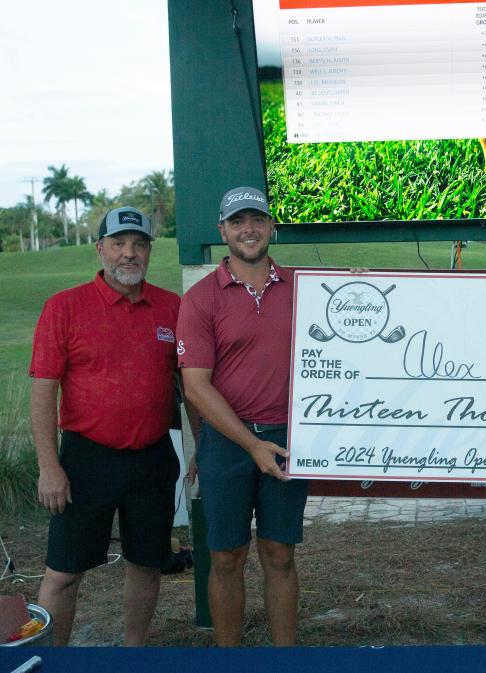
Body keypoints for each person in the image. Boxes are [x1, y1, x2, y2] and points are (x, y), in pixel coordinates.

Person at [29, 207, 181, 646]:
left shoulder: (171, 307)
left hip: (152, 460)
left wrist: (198, 449)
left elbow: (192, 386)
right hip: (85, 461)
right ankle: (52, 659)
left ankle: (132, 655)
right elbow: (43, 390)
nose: (129, 254)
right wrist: (48, 466)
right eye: (118, 244)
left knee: (147, 564)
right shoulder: (65, 307)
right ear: (100, 249)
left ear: (149, 251)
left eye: (139, 245)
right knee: (62, 574)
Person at [177, 186, 308, 646]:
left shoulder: (304, 287)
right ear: (223, 231)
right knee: (226, 555)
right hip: (228, 442)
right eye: (237, 222)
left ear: (273, 226)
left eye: (257, 220)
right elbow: (195, 385)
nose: (248, 230)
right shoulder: (200, 299)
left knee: (279, 553)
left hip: (288, 436)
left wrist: (353, 286)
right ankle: (230, 659)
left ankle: (284, 658)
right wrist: (251, 446)